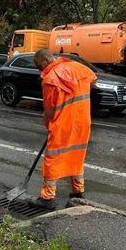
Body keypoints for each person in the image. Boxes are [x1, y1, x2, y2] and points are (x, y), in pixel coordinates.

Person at [31, 49, 97, 210]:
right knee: (76, 156)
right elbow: (93, 80)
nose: (40, 70)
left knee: (53, 159)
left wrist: (49, 126)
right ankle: (77, 192)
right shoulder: (77, 67)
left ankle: (47, 198)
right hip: (82, 123)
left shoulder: (50, 79)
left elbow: (49, 109)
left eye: (39, 66)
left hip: (62, 126)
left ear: (46, 60)